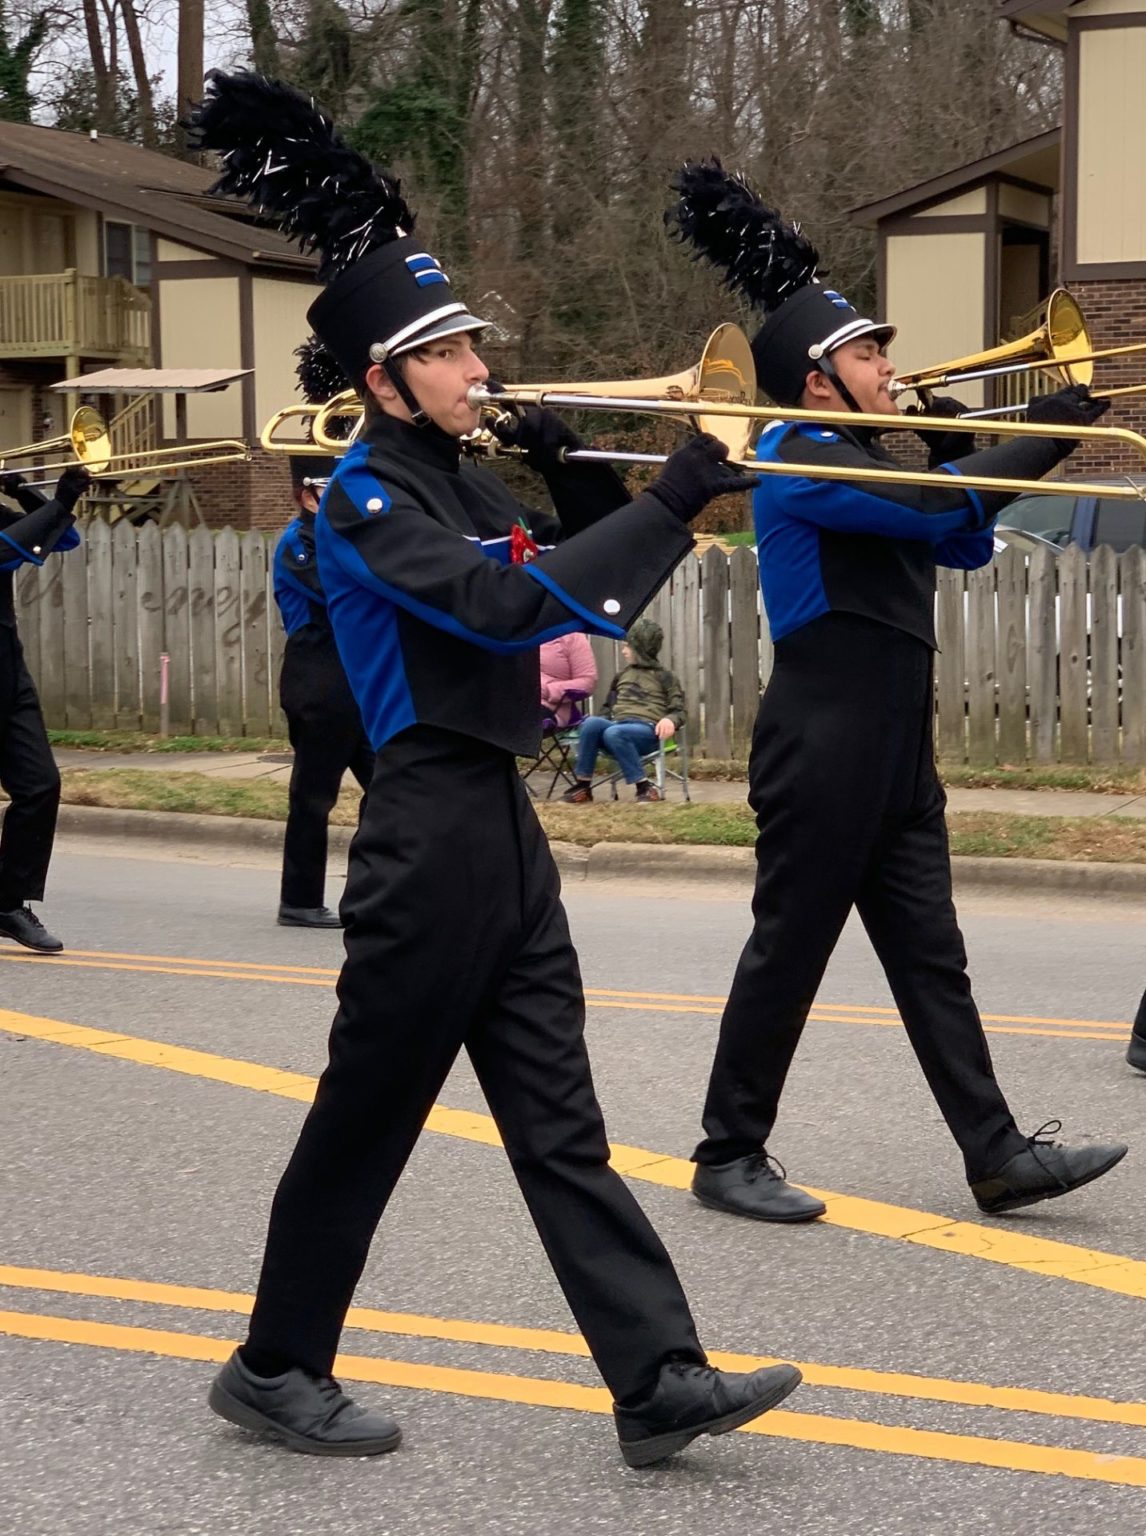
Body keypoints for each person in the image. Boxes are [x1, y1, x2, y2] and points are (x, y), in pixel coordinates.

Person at [189, 72, 801, 1467]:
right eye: (453, 352)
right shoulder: (363, 495)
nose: (482, 369)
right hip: (424, 831)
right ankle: (275, 1364)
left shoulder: (456, 478)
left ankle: (656, 1380)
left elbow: (575, 600)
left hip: (501, 836)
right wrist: (662, 493)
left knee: (559, 1122)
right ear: (382, 378)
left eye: (474, 346)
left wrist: (591, 483)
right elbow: (501, 615)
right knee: (366, 1119)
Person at [666, 158, 1128, 1221]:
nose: (889, 363)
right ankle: (727, 1153)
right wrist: (1052, 424)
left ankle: (996, 1152)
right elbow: (935, 514)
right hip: (824, 742)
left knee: (934, 959)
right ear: (821, 377)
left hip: (893, 747)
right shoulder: (797, 454)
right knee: (790, 949)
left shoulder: (875, 453)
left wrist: (968, 440)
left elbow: (959, 544)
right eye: (869, 352)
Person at [272, 340, 375, 929]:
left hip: (350, 681)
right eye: (320, 491)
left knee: (390, 788)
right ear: (302, 495)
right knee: (313, 796)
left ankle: (383, 887)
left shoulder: (333, 534)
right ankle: (300, 899)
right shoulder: (299, 542)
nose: (329, 499)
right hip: (317, 679)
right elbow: (341, 591)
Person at [0, 465, 89, 954]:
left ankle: (8, 902)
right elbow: (8, 551)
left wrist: (29, 495)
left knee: (40, 785)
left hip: (9, 665)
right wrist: (58, 502)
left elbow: (64, 539)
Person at [562, 617, 684, 803]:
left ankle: (644, 787)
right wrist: (595, 730)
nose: (623, 650)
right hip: (618, 728)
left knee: (614, 731)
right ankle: (583, 786)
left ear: (641, 649)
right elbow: (607, 708)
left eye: (627, 646)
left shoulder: (665, 677)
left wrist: (670, 720)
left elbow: (679, 709)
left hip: (648, 732)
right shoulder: (622, 676)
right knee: (591, 723)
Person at [539, 630, 597, 727]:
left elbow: (588, 682)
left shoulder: (572, 636)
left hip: (549, 708)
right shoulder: (513, 635)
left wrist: (548, 690)